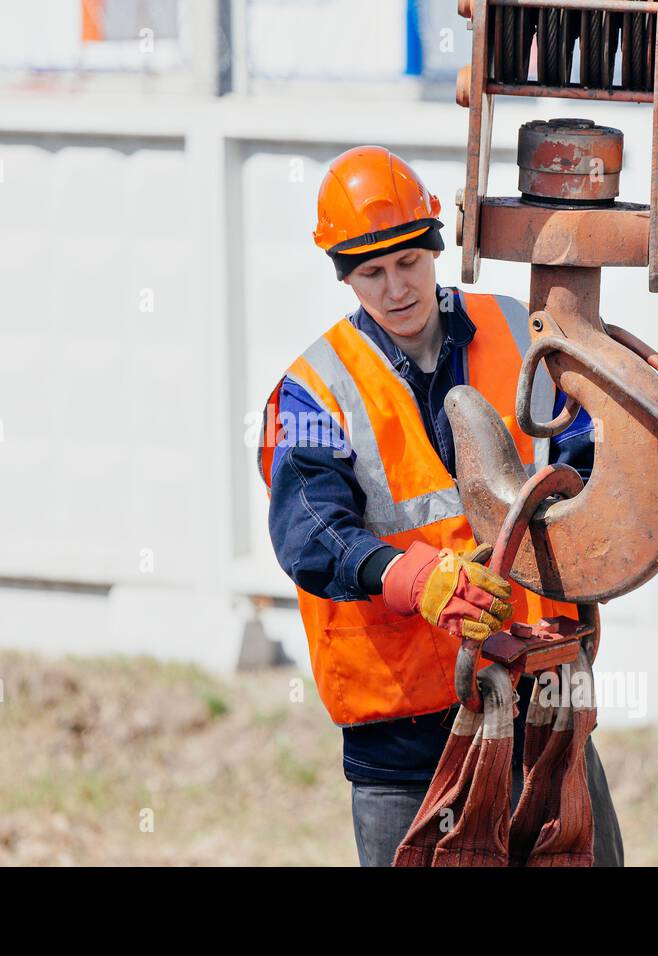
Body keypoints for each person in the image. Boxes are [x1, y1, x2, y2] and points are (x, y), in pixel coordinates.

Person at [256, 145, 624, 867]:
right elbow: (309, 531)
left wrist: (576, 488)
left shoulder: (517, 331)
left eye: (409, 262)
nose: (396, 287)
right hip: (403, 736)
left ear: (434, 245)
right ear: (345, 275)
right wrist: (415, 580)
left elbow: (587, 439)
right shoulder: (311, 390)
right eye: (371, 272)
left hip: (536, 700)